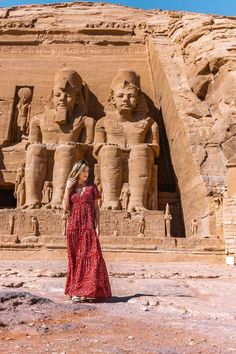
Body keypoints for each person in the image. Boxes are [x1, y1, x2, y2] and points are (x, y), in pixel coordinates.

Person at [62, 159, 112, 302]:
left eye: (88, 171)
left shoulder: (91, 188)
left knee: (93, 257)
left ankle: (89, 290)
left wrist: (97, 225)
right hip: (74, 227)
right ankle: (77, 291)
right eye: (84, 171)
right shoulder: (71, 189)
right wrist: (66, 189)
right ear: (77, 171)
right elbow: (65, 208)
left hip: (88, 226)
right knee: (76, 259)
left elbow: (96, 208)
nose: (86, 173)